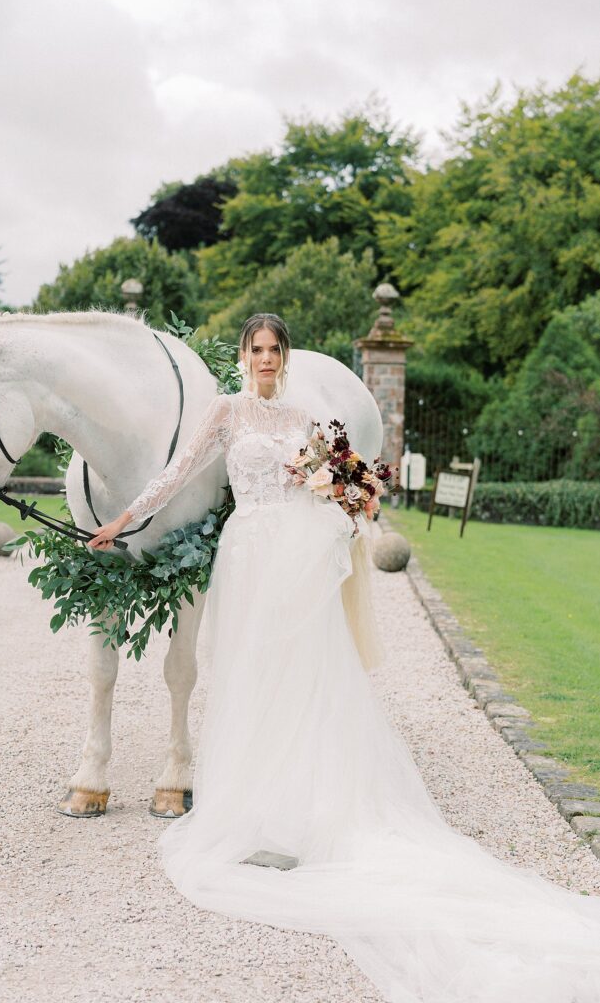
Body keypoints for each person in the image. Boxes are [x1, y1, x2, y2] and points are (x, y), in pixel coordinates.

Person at [87, 314, 600, 1003]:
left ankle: (298, 814)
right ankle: (253, 813)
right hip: (246, 555)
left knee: (301, 678)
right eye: (256, 350)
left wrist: (342, 494)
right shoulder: (224, 412)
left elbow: (355, 489)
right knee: (247, 675)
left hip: (294, 557)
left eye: (274, 350)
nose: (265, 359)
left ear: (284, 356)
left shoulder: (308, 418)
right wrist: (124, 520)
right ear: (243, 356)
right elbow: (179, 474)